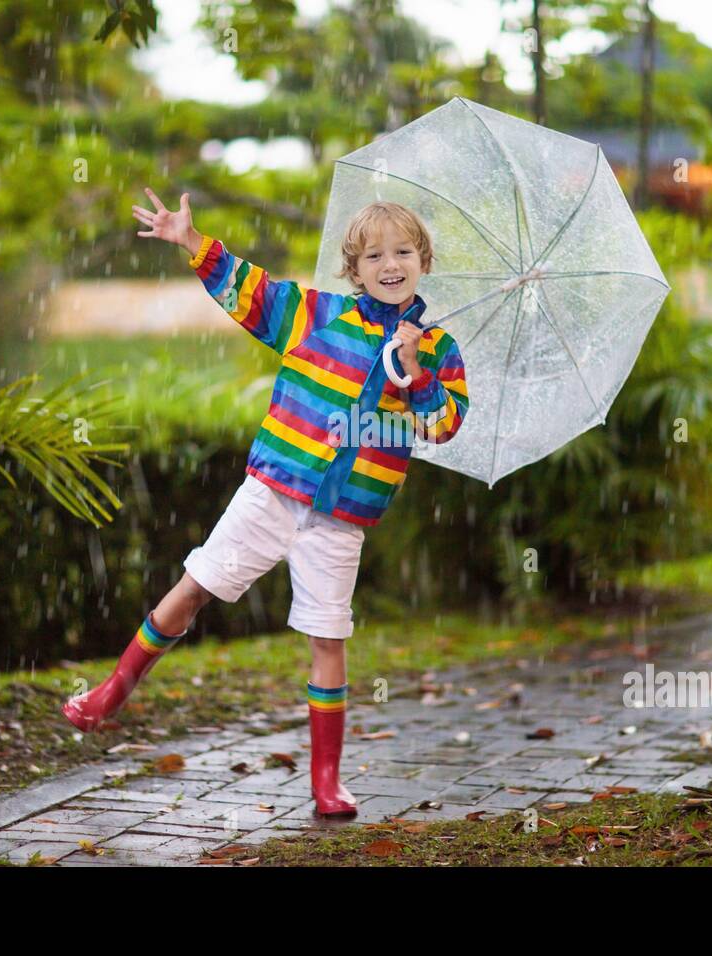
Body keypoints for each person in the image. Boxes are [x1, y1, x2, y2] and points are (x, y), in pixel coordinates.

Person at [62, 189, 469, 817]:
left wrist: (415, 375)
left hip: (343, 517)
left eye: (404, 251)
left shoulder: (439, 350)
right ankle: (114, 690)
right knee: (195, 585)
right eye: (375, 255)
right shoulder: (319, 316)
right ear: (353, 268)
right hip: (275, 489)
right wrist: (194, 244)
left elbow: (442, 425)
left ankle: (326, 781)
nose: (391, 264)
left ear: (425, 261)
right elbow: (254, 294)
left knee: (328, 636)